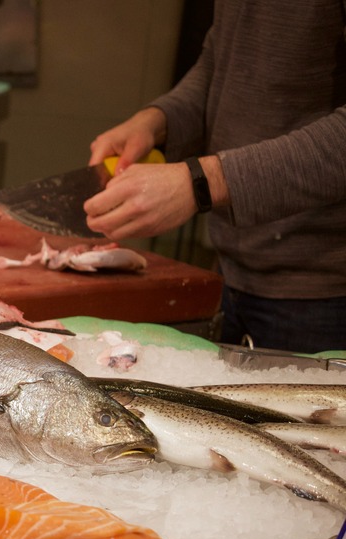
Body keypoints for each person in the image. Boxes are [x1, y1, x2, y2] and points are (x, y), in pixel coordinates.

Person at [82, 1, 346, 354]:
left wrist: (204, 181)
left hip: (325, 295)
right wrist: (159, 120)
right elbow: (221, 61)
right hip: (232, 271)